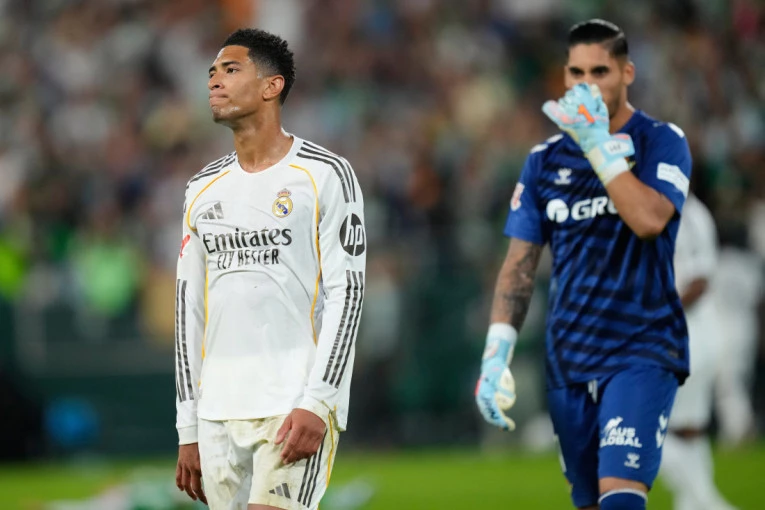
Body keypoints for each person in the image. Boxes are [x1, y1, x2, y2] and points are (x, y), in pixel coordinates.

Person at [475, 19, 691, 510]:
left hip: (642, 347)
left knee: (621, 494)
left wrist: (598, 147)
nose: (586, 84)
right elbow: (520, 265)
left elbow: (649, 220)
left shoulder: (660, 141)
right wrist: (495, 354)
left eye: (600, 72)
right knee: (590, 502)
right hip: (569, 356)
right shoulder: (544, 161)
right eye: (576, 73)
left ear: (627, 73)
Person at [174, 28, 366, 510]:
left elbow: (347, 293)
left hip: (291, 402)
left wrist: (319, 400)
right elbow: (188, 310)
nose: (214, 81)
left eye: (230, 69)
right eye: (211, 72)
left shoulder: (324, 174)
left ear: (271, 86)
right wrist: (188, 424)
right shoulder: (201, 188)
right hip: (218, 413)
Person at [660, 194, 737, 510]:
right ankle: (694, 502)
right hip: (684, 334)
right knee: (688, 428)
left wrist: (659, 317)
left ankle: (707, 501)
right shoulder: (657, 207)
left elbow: (699, 281)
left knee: (660, 424)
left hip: (689, 335)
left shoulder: (689, 215)